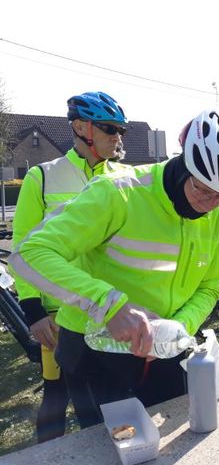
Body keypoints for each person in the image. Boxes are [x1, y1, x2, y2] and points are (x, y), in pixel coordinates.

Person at [9, 108, 219, 428]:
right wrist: (109, 305)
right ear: (183, 165)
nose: (210, 204)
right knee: (115, 449)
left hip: (161, 351)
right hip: (95, 351)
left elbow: (210, 285)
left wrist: (178, 328)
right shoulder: (117, 193)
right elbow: (29, 254)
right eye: (203, 190)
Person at [12, 91, 131, 442]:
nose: (117, 136)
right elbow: (24, 249)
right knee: (60, 394)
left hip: (112, 309)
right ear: (80, 127)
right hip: (61, 314)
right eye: (109, 128)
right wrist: (33, 310)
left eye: (120, 129)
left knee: (114, 403)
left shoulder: (127, 177)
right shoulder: (43, 177)